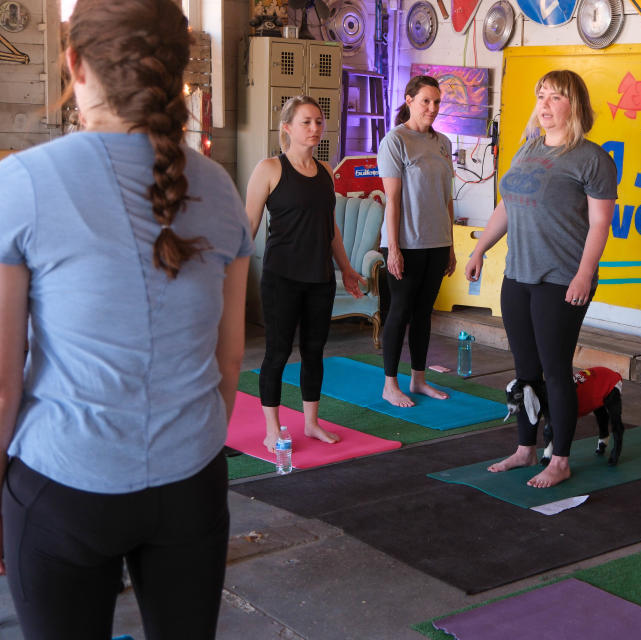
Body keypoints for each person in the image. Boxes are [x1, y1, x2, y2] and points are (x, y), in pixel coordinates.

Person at [0, 0, 253, 637]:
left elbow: (3, 384)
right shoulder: (220, 186)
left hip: (64, 484)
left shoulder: (22, 182)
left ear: (74, 63)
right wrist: (186, 452)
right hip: (191, 481)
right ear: (176, 70)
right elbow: (230, 361)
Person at [465, 70, 617, 488]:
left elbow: (601, 225)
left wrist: (585, 275)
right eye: (540, 96)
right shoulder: (528, 149)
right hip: (519, 275)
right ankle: (525, 448)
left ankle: (561, 458)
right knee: (525, 369)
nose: (544, 105)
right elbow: (507, 206)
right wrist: (481, 249)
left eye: (554, 97)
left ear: (575, 105)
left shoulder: (592, 159)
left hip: (562, 278)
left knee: (554, 370)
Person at [246, 95, 365, 452]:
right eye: (306, 122)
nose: (315, 128)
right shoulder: (269, 169)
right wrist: (229, 276)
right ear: (287, 128)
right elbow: (248, 226)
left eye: (318, 121)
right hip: (281, 278)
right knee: (277, 353)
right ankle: (272, 429)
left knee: (314, 351)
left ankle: (311, 423)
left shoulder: (327, 172)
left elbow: (331, 228)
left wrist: (345, 268)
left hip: (320, 279)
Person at [377, 75, 456, 407]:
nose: (432, 108)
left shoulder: (443, 143)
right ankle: (390, 383)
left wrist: (451, 246)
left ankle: (419, 379)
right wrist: (393, 248)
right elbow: (392, 200)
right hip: (405, 243)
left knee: (424, 314)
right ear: (409, 100)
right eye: (426, 101)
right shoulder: (395, 141)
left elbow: (447, 199)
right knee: (400, 311)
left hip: (436, 243)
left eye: (437, 102)